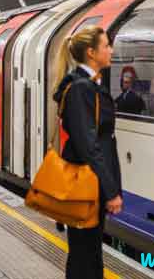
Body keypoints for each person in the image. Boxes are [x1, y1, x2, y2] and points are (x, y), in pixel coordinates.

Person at [52, 25, 122, 279]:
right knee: (84, 254)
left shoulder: (89, 85)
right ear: (92, 53)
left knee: (90, 251)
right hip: (85, 183)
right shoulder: (82, 88)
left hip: (89, 183)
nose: (110, 50)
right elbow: (89, 144)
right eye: (106, 46)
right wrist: (111, 190)